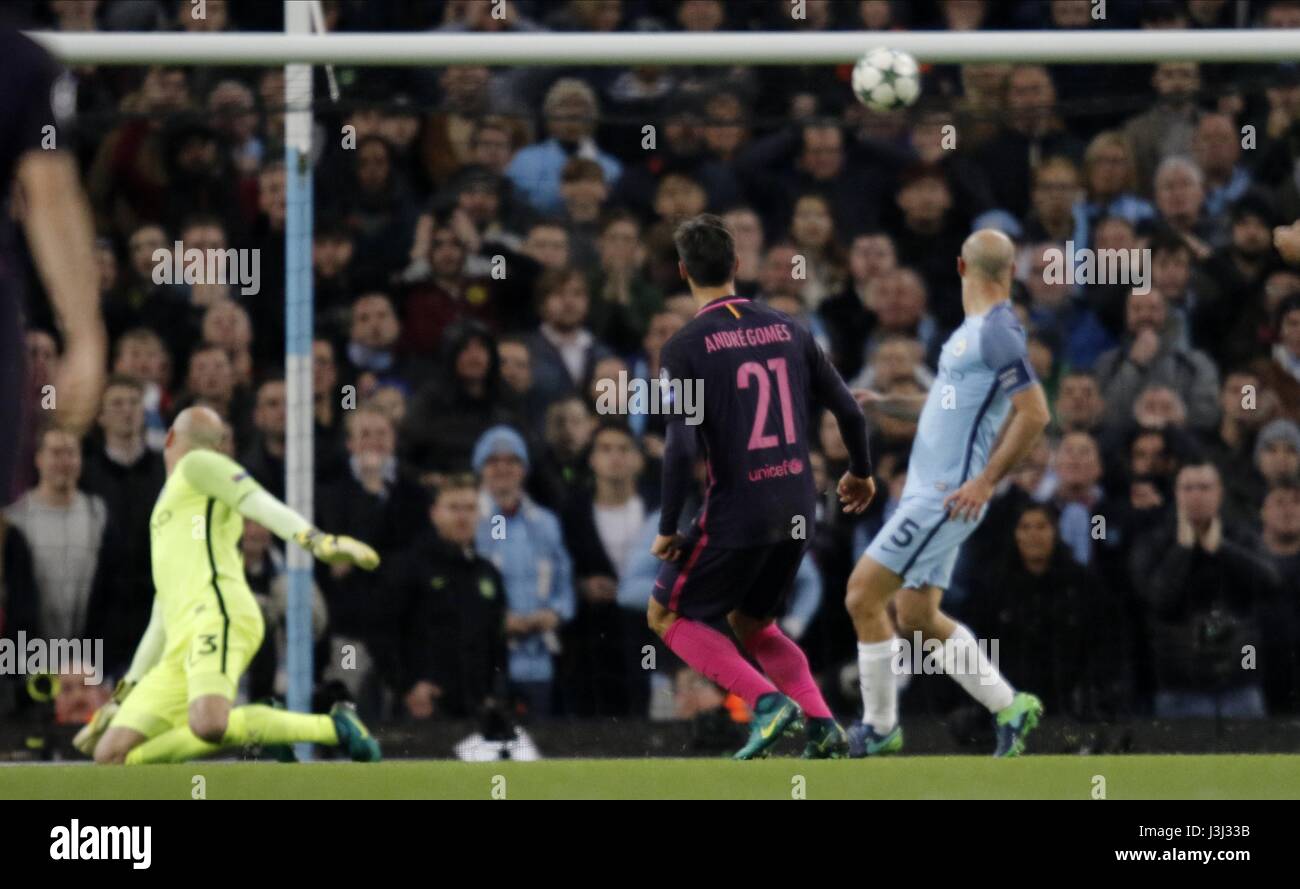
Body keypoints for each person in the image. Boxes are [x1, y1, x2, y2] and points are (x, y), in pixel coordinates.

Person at [646, 214, 874, 760]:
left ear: (682, 271)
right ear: (738, 266)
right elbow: (849, 408)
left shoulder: (685, 347)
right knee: (750, 620)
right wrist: (861, 471)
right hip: (799, 505)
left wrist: (667, 526)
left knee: (665, 614)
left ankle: (767, 704)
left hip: (738, 508)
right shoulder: (789, 327)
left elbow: (680, 448)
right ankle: (822, 727)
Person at [82, 406, 383, 764]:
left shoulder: (198, 465)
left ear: (170, 438)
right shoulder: (167, 506)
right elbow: (162, 613)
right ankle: (264, 725)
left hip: (218, 614)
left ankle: (334, 728)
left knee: (209, 724)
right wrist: (123, 695)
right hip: (180, 638)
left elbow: (256, 500)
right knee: (111, 755)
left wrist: (316, 541)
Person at [848, 229, 1051, 758]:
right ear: (1008, 271)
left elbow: (1035, 413)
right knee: (915, 615)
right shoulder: (974, 332)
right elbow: (945, 403)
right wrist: (884, 402)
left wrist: (986, 481)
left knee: (861, 595)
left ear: (962, 268)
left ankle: (880, 726)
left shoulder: (999, 333)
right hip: (936, 493)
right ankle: (1011, 706)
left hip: (943, 497)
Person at [1, 29, 107, 503]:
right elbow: (50, 196)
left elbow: (50, 194)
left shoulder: (22, 64)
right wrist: (84, 336)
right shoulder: (21, 62)